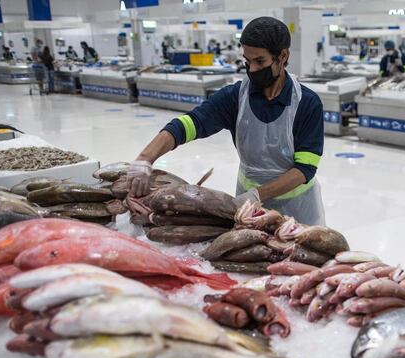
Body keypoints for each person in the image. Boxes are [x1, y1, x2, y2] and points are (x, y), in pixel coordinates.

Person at [122, 16, 325, 225]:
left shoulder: (306, 104)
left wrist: (258, 195)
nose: (253, 69)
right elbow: (189, 124)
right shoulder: (235, 98)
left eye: (260, 61)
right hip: (247, 209)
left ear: (282, 56)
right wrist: (145, 158)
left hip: (298, 210)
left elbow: (304, 169)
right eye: (247, 61)